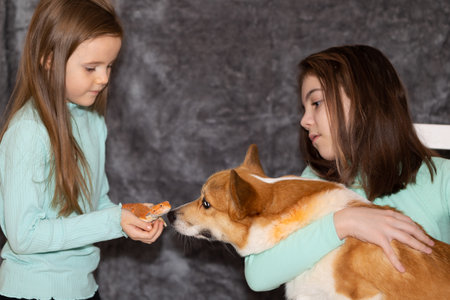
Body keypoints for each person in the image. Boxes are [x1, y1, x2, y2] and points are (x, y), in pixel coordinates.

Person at [244, 45, 449, 291]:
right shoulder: (315, 183)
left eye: (316, 102)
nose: (304, 120)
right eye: (305, 108)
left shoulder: (442, 178)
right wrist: (343, 222)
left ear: (365, 102)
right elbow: (259, 274)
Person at [0, 0, 165, 299]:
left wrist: (128, 217)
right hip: (34, 291)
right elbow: (23, 237)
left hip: (85, 288)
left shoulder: (93, 121)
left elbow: (95, 202)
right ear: (49, 60)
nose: (103, 78)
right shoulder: (28, 133)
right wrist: (112, 221)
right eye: (91, 68)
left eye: (109, 66)